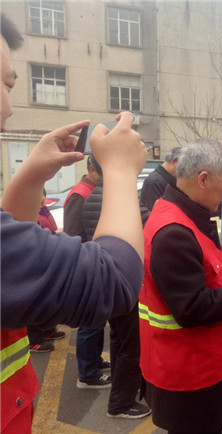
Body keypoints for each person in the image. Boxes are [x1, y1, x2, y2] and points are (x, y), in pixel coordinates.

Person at [0, 13, 148, 433]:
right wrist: (120, 169)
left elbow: (13, 252)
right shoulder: (83, 193)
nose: (9, 107)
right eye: (6, 85)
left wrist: (30, 175)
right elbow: (114, 279)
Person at [139, 140, 222, 434]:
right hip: (189, 375)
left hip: (198, 365)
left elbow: (208, 267)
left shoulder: (185, 214)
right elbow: (192, 308)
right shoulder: (174, 232)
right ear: (203, 179)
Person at [81, 159, 151, 418]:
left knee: (120, 339)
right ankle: (121, 404)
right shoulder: (121, 198)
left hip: (106, 279)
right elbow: (149, 222)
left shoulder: (92, 197)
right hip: (125, 280)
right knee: (131, 345)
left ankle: (121, 394)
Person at [64, 155, 111, 390]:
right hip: (86, 267)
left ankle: (94, 360)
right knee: (89, 322)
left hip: (95, 264)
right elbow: (73, 235)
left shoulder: (91, 191)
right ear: (92, 170)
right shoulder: (80, 194)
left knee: (97, 319)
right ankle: (86, 374)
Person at [27, 189, 67, 353]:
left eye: (43, 194)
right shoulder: (27, 215)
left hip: (45, 261)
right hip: (33, 266)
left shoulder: (43, 212)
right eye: (38, 194)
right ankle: (34, 340)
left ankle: (47, 330)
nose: (42, 198)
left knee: (46, 300)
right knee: (33, 302)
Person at [140, 146, 182, 210]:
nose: (186, 170)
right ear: (175, 161)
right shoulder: (154, 182)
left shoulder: (167, 180)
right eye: (184, 165)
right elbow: (151, 212)